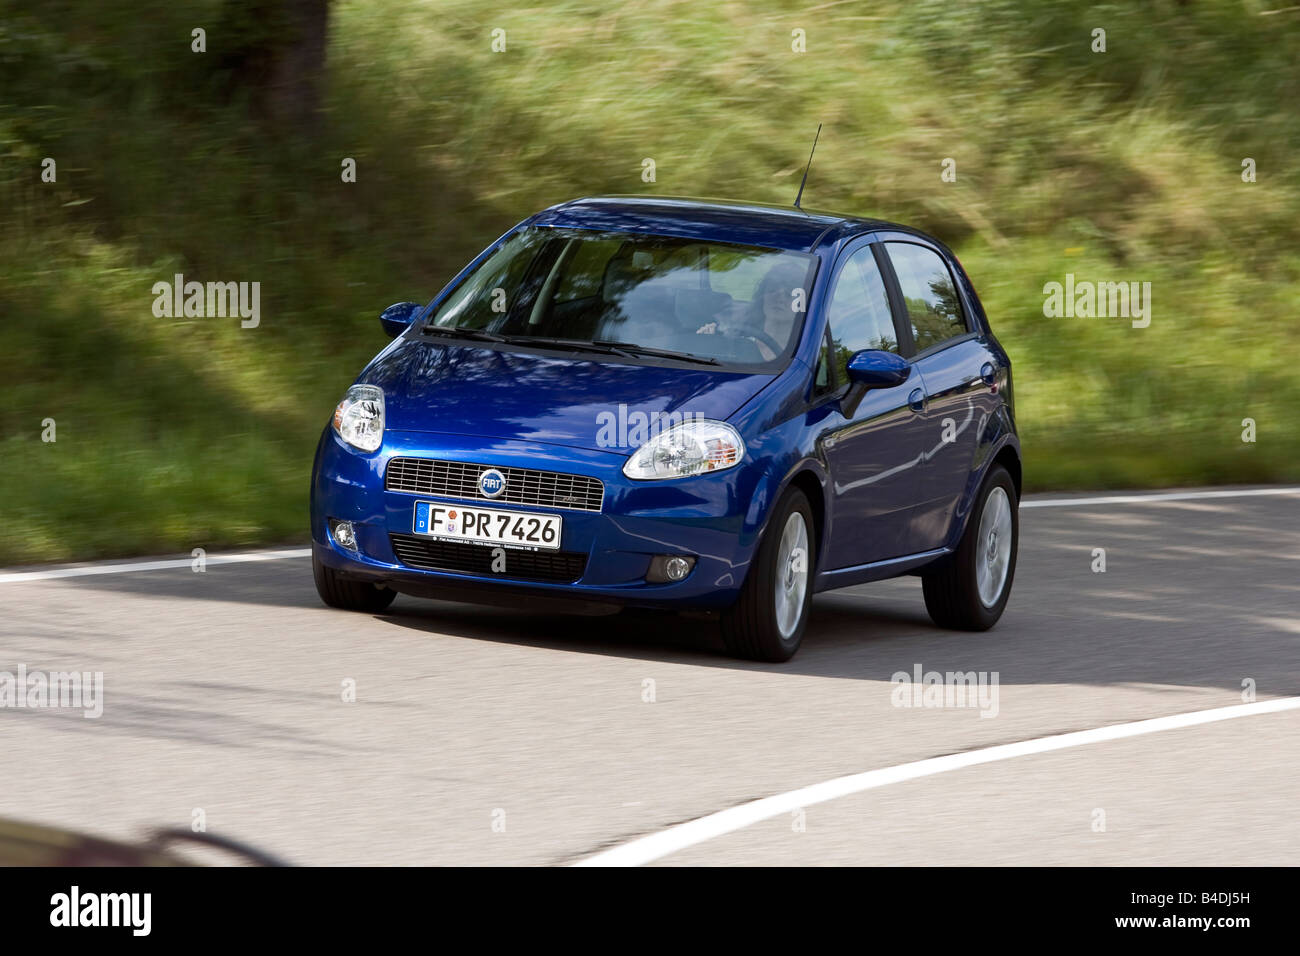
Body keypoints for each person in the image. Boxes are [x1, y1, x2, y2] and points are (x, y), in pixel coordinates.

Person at [694, 261, 805, 361]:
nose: (780, 298)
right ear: (763, 295)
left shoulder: (807, 350)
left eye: (789, 293)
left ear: (802, 303)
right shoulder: (733, 332)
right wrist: (707, 340)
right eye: (772, 289)